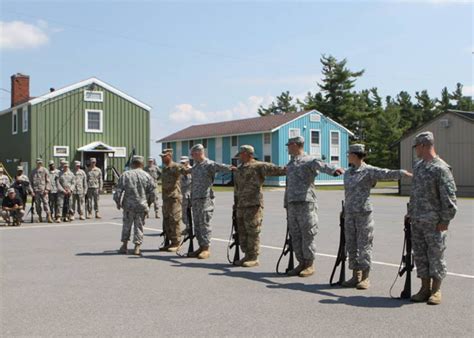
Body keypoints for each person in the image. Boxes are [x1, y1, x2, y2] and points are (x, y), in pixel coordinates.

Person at [342, 144, 412, 289]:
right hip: (349, 214)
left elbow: (385, 173)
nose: (347, 155)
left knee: (364, 244)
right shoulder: (348, 172)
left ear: (355, 155)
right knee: (351, 244)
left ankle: (365, 277)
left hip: (363, 213)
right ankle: (356, 276)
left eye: (349, 153)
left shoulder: (368, 171)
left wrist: (401, 173)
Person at [408, 131, 457, 305]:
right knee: (420, 255)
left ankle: (436, 290)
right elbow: (415, 194)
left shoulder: (440, 168)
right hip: (418, 220)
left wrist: (445, 220)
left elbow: (449, 198)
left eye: (416, 147)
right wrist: (410, 213)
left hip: (434, 222)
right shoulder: (419, 166)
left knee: (436, 255)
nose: (415, 150)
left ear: (423, 145)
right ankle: (424, 288)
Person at [285, 136, 344, 277]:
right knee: (295, 235)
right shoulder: (291, 163)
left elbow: (322, 165)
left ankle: (309, 264)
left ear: (295, 145)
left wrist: (334, 170)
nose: (287, 147)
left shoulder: (309, 160)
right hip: (292, 203)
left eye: (289, 145)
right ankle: (301, 263)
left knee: (308, 234)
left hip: (306, 202)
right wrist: (285, 203)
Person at [233, 145, 286, 267]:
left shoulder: (259, 166)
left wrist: (292, 168)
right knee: (242, 231)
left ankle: (254, 257)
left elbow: (279, 170)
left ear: (247, 154)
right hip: (240, 205)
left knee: (253, 231)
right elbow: (237, 188)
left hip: (253, 204)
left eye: (241, 154)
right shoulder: (239, 168)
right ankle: (247, 255)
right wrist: (235, 203)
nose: (239, 157)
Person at [188, 143, 232, 259]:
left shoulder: (209, 164)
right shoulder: (196, 166)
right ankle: (201, 246)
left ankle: (206, 248)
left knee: (204, 224)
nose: (192, 156)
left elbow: (222, 167)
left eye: (193, 154)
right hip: (195, 199)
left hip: (205, 199)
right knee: (197, 224)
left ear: (199, 152)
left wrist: (233, 168)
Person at [114, 155, 156, 256]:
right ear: (142, 164)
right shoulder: (147, 176)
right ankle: (137, 247)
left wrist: (118, 202)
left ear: (132, 163)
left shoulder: (126, 175)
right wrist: (149, 204)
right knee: (139, 226)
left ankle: (124, 246)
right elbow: (153, 193)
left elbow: (118, 191)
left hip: (129, 206)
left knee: (127, 225)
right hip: (141, 205)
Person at [159, 150, 188, 252]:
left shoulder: (175, 166)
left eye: (164, 156)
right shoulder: (165, 169)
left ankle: (176, 242)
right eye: (161, 157)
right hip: (166, 199)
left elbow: (185, 171)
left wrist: (187, 168)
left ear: (170, 156)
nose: (162, 158)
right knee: (167, 220)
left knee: (174, 220)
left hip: (174, 198)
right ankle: (171, 241)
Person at [29, 158, 52, 223]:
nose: (39, 164)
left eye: (40, 162)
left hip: (43, 191)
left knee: (46, 203)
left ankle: (49, 216)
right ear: (36, 163)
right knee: (37, 205)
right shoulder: (33, 172)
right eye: (38, 162)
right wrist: (31, 191)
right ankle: (39, 216)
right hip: (36, 191)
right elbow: (30, 183)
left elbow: (48, 181)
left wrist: (47, 189)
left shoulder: (45, 170)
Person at [179, 156, 192, 236]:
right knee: (185, 214)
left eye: (184, 162)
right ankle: (188, 228)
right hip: (183, 195)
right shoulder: (180, 171)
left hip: (189, 195)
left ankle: (190, 228)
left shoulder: (191, 170)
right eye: (181, 162)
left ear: (187, 162)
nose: (182, 164)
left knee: (187, 214)